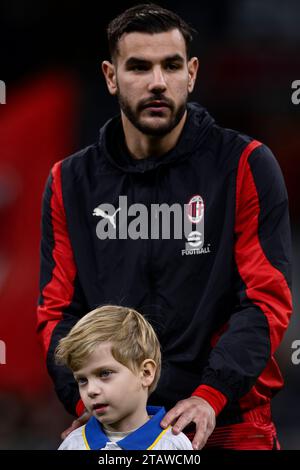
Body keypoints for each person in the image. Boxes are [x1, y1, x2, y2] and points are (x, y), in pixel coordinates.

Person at [37, 4, 292, 450]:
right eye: (138, 66)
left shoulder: (245, 164)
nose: (158, 82)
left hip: (226, 419)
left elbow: (265, 299)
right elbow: (58, 312)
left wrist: (210, 395)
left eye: (170, 65)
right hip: (122, 424)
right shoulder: (69, 183)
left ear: (191, 74)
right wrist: (82, 393)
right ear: (110, 77)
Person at [55, 305, 193, 450]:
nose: (91, 390)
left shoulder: (173, 446)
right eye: (82, 380)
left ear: (146, 373)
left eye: (105, 373)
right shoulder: (72, 445)